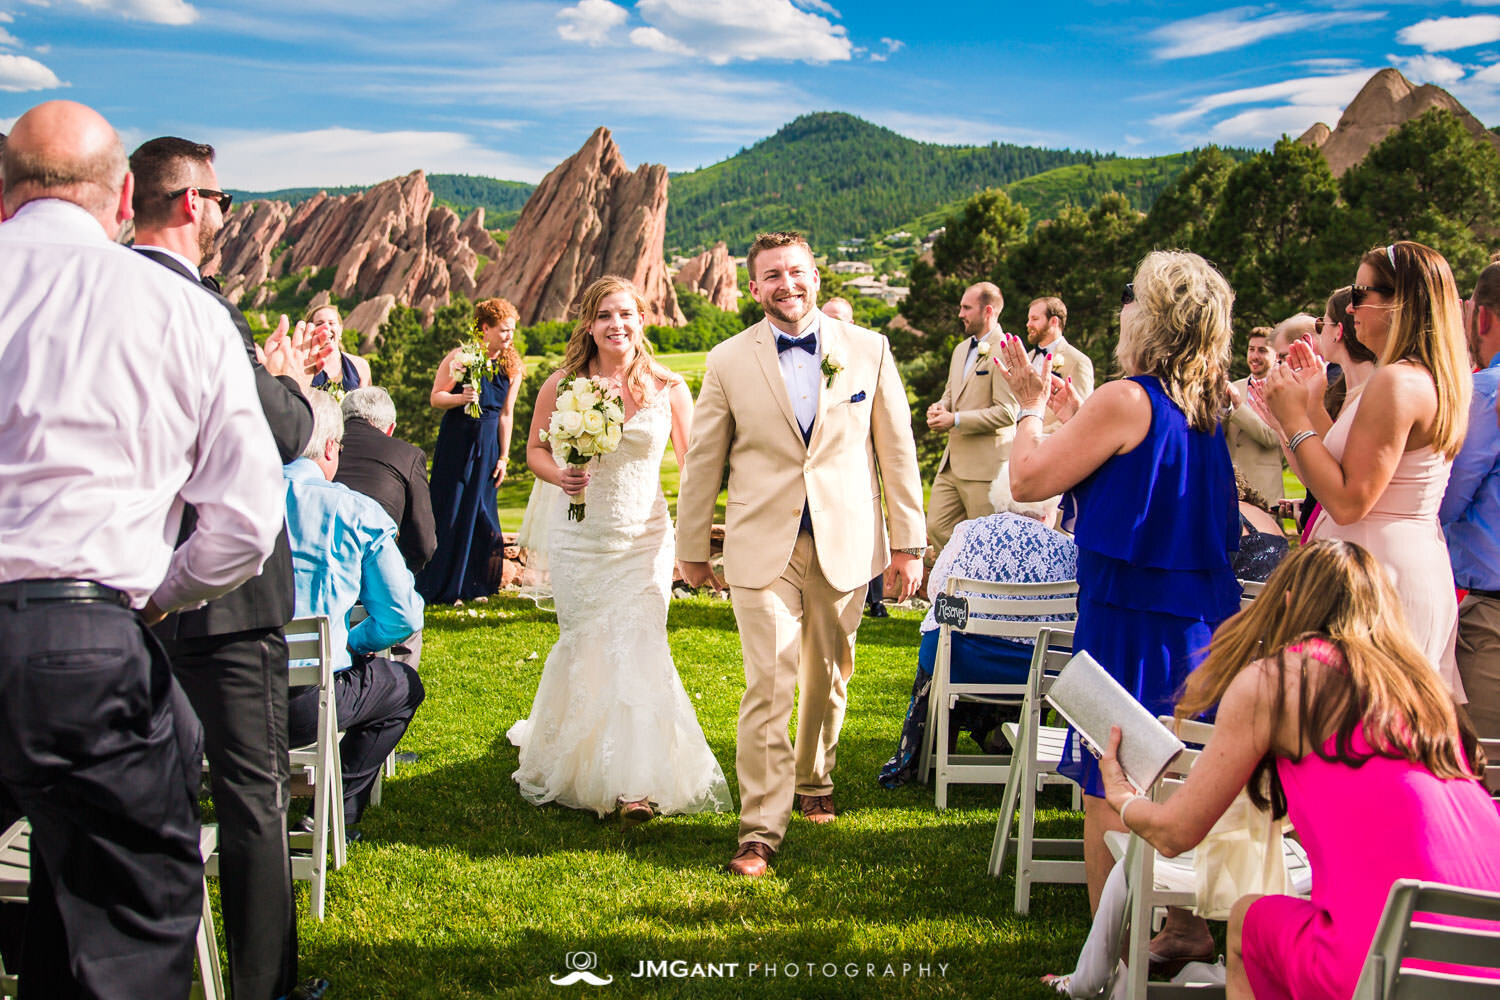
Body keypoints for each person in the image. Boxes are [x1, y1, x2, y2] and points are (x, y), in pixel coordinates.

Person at [0, 100, 284, 999]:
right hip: (88, 645)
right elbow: (244, 520)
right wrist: (156, 594)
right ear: (123, 194)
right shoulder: (177, 310)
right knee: (125, 929)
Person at [1097, 540, 1500, 1000]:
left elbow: (1175, 833)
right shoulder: (1422, 688)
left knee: (1250, 921)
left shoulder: (1282, 678)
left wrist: (1124, 800)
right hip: (1486, 950)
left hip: (1384, 956)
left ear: (1286, 602)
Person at [129, 135, 328, 1000]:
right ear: (187, 203)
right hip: (227, 597)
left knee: (129, 788)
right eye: (221, 200)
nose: (223, 214)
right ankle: (261, 987)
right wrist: (283, 381)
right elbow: (284, 432)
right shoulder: (201, 306)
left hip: (123, 585)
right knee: (253, 798)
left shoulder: (96, 292)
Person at [994, 250, 1241, 912]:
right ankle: (1181, 928)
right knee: (1184, 778)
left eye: (1131, 297)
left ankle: (1110, 961)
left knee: (1111, 789)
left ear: (1152, 318)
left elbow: (1028, 481)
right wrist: (1081, 415)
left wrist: (1029, 407)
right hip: (1199, 621)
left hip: (1127, 620)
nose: (1121, 307)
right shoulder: (1209, 398)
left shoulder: (1125, 398)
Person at [677, 231, 925, 877]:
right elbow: (705, 459)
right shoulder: (728, 359)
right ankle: (759, 829)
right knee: (770, 681)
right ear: (753, 288)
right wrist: (693, 545)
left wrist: (908, 545)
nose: (786, 284)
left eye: (796, 272)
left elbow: (896, 451)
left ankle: (816, 779)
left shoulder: (869, 350)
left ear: (815, 276)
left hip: (846, 540)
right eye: (771, 276)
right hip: (762, 545)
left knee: (828, 676)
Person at [509, 276, 730, 824]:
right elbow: (534, 453)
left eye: (627, 314)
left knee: (639, 644)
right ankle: (583, 763)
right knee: (586, 646)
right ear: (589, 323)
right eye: (606, 315)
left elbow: (696, 463)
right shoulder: (561, 385)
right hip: (580, 542)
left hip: (644, 538)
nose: (617, 325)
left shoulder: (669, 386)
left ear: (642, 321)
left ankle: (635, 784)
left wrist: (700, 534)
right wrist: (560, 475)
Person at [1255, 242, 1472, 697]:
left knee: (1360, 731)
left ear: (1402, 303)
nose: (1350, 306)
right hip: (1386, 562)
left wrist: (1294, 421)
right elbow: (1334, 469)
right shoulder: (1411, 376)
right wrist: (1303, 411)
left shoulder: (1397, 382)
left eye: (1362, 292)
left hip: (1376, 578)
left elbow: (1349, 500)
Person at [284, 393, 427, 837]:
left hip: (218, 695)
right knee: (404, 686)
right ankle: (336, 811)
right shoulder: (354, 510)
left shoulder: (232, 498)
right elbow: (403, 615)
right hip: (303, 703)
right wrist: (352, 643)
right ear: (331, 448)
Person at [878, 477, 1077, 788]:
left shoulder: (967, 532)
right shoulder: (1068, 549)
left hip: (963, 661)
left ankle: (935, 748)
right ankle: (1002, 735)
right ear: (1048, 510)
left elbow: (937, 590)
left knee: (943, 639)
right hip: (1037, 670)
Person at [416, 297, 525, 604]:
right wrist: (460, 397)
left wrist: (504, 457)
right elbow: (436, 398)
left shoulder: (512, 367)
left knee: (482, 513)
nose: (509, 336)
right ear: (485, 328)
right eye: (504, 330)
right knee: (450, 509)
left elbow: (506, 414)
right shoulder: (461, 356)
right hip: (458, 439)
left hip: (489, 444)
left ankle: (476, 586)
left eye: (512, 330)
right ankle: (443, 586)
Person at [1442, 258, 1500, 740]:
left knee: (1488, 777)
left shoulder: (1484, 394)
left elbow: (1442, 503)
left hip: (1493, 623)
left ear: (1480, 318)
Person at [924, 281, 1019, 551]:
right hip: (952, 464)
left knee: (985, 542)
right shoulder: (960, 350)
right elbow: (950, 394)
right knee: (937, 527)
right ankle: (958, 585)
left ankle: (978, 591)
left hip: (985, 468)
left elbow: (1008, 412)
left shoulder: (1007, 348)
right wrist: (940, 408)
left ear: (987, 311)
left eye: (967, 308)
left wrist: (955, 420)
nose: (960, 314)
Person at [822, 296, 889, 618]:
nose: (833, 324)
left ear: (851, 322)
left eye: (839, 318)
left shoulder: (871, 356)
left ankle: (874, 599)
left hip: (862, 465)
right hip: (823, 467)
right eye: (827, 317)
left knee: (868, 530)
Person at [336, 387, 437, 576]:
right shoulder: (409, 455)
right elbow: (423, 544)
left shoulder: (325, 449)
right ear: (391, 428)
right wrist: (400, 576)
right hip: (372, 570)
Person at [1225, 327, 1284, 507]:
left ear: (1276, 356)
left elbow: (1272, 437)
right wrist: (1221, 407)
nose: (1254, 356)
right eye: (1251, 349)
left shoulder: (1283, 390)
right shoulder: (1235, 387)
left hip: (1264, 491)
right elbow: (1217, 434)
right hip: (1230, 488)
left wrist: (1237, 406)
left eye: (1262, 350)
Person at [1025, 296, 1095, 430]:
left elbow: (1082, 416)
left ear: (1054, 321)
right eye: (1028, 319)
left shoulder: (1078, 361)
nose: (1028, 324)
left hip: (1052, 443)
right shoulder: (1028, 357)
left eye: (1034, 319)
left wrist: (1038, 434)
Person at [306, 303, 372, 396]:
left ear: (340, 329)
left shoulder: (360, 366)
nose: (326, 327)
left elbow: (367, 406)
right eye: (319, 324)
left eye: (331, 323)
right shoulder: (303, 367)